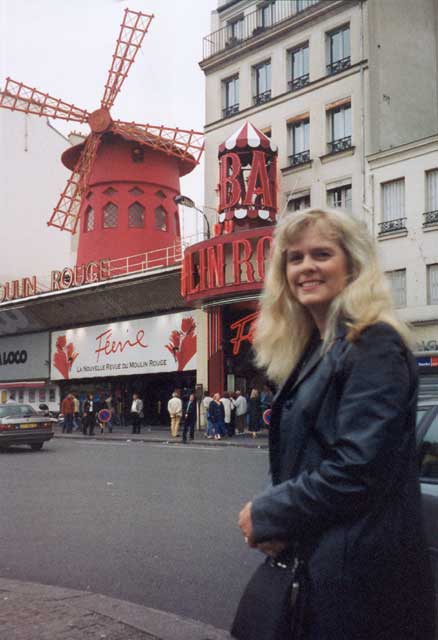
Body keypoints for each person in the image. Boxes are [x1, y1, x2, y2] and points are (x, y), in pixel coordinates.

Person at [235, 208, 435, 640]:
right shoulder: (316, 349)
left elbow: (358, 469)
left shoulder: (373, 343)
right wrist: (283, 521)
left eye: (321, 254)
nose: (306, 267)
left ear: (352, 266)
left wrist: (271, 512)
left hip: (358, 583)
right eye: (295, 257)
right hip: (326, 565)